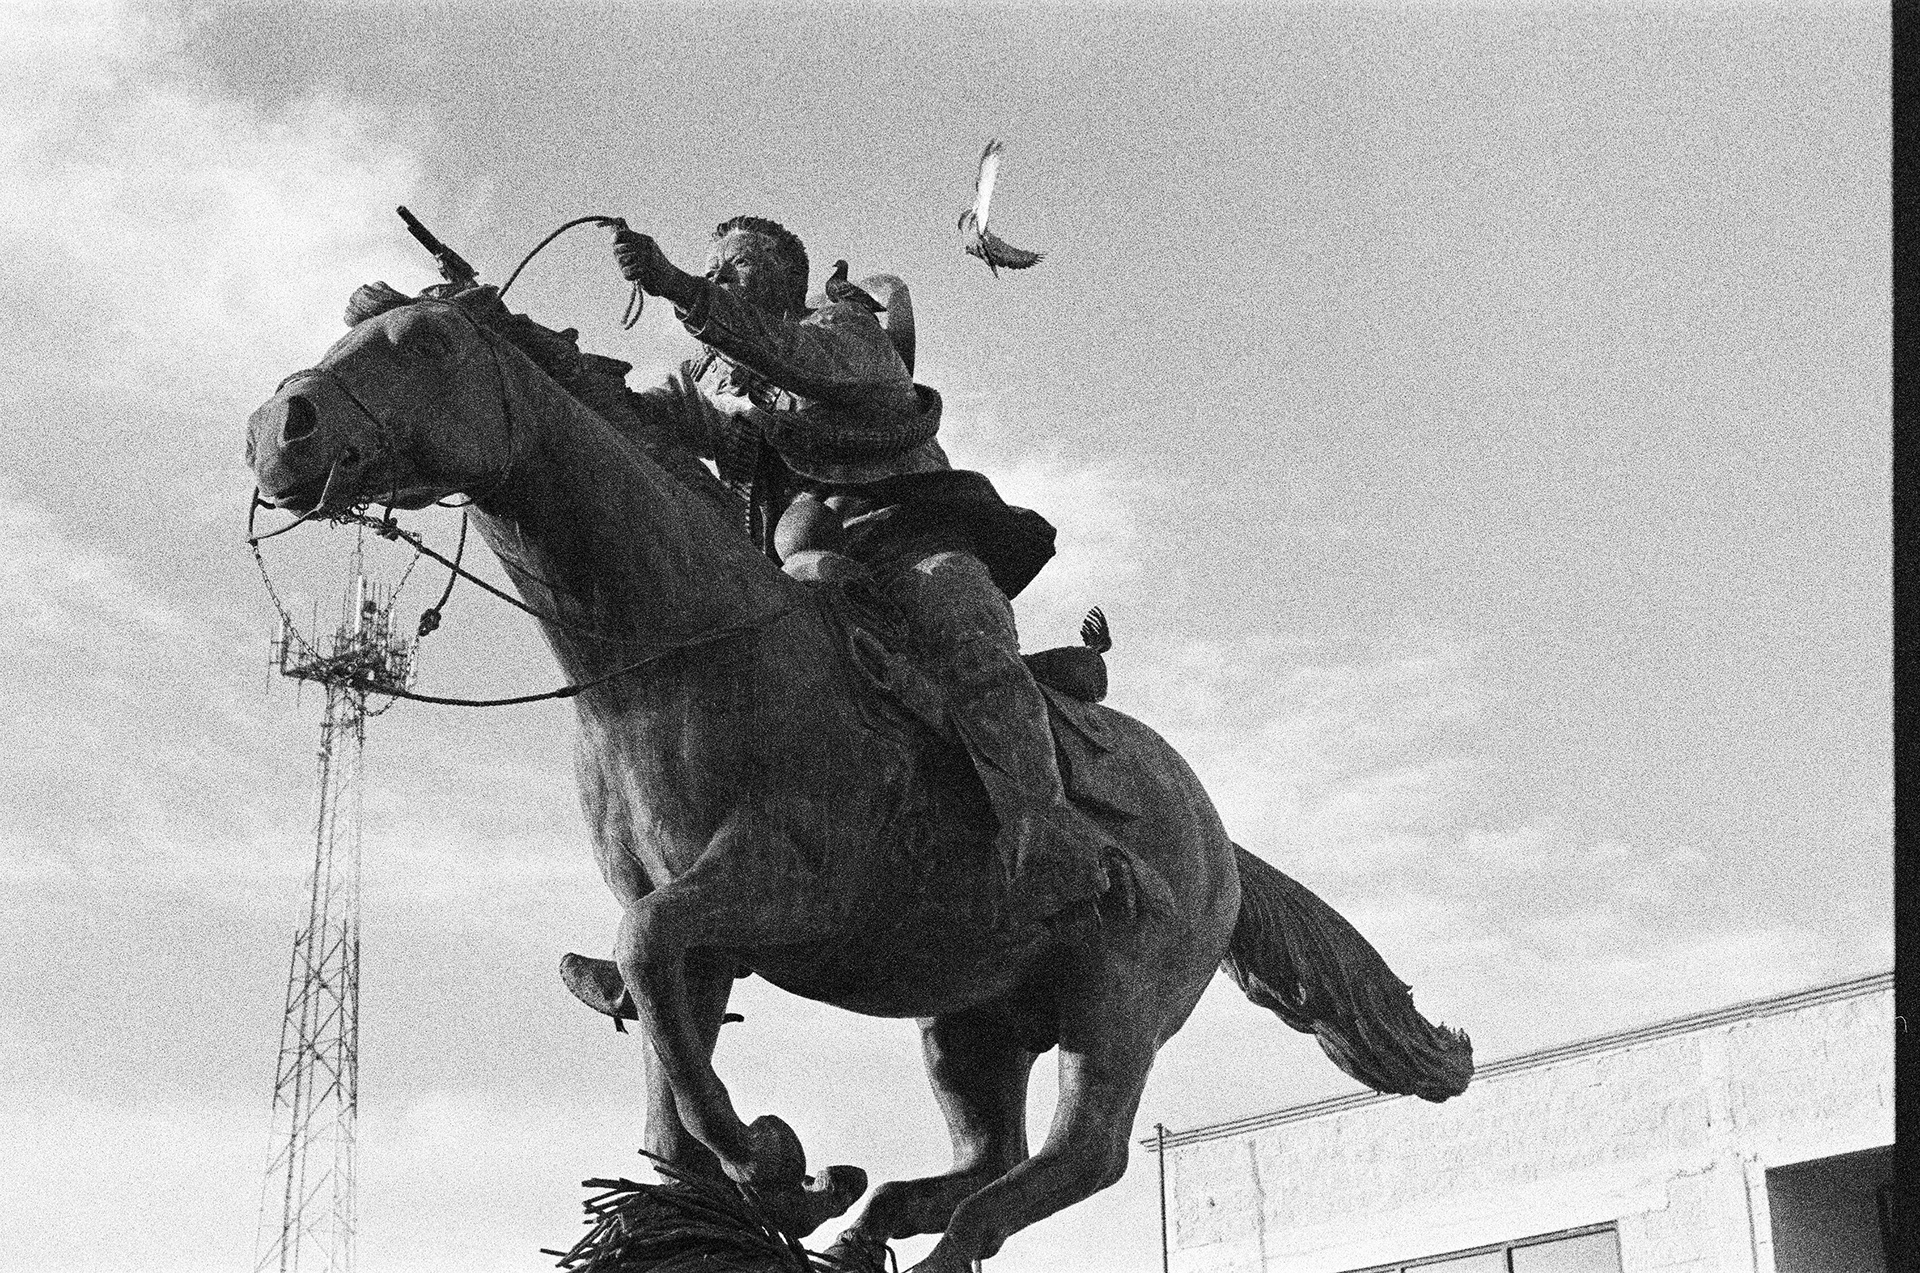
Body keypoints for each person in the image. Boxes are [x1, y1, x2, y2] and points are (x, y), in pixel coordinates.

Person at [613, 216, 1112, 920]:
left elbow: (790, 354)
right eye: (712, 266)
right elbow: (713, 430)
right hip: (801, 562)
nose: (720, 275)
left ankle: (1049, 840)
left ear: (785, 281)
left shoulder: (846, 333)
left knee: (971, 647)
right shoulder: (754, 390)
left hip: (904, 537)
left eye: (736, 264)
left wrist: (676, 285)